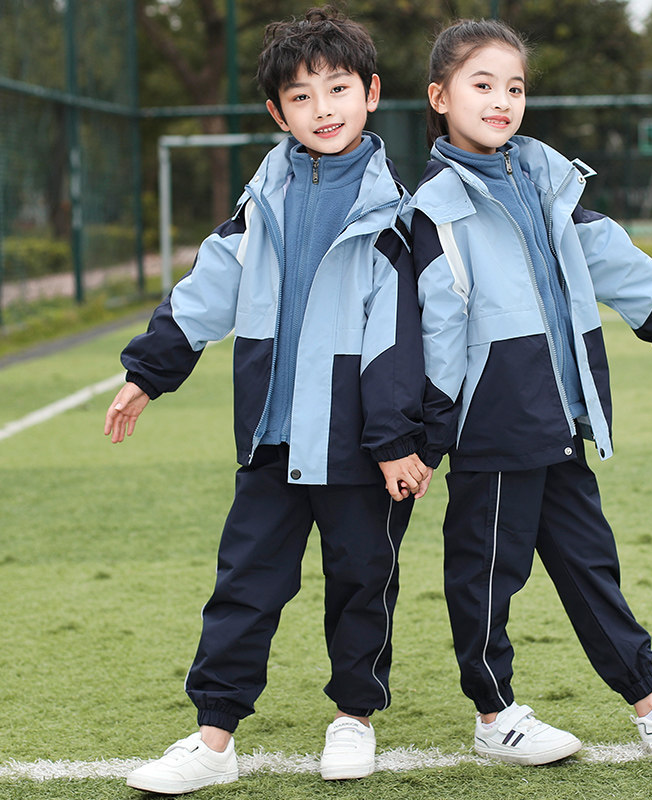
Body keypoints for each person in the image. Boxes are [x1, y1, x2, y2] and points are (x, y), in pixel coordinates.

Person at [104, 8, 436, 792]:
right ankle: (213, 739)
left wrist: (395, 440)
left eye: (338, 88)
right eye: (301, 95)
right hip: (273, 442)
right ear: (276, 113)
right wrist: (147, 372)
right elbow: (204, 294)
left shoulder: (403, 214)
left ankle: (354, 717)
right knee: (244, 588)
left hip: (363, 448)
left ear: (372, 93)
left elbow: (401, 341)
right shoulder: (260, 204)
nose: (322, 108)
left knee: (363, 584)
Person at [405, 18, 652, 767]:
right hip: (493, 420)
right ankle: (494, 715)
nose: (502, 101)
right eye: (482, 84)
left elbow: (607, 253)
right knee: (487, 570)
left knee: (590, 562)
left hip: (557, 409)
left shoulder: (541, 174)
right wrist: (426, 438)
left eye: (515, 87)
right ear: (440, 96)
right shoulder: (434, 206)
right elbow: (434, 328)